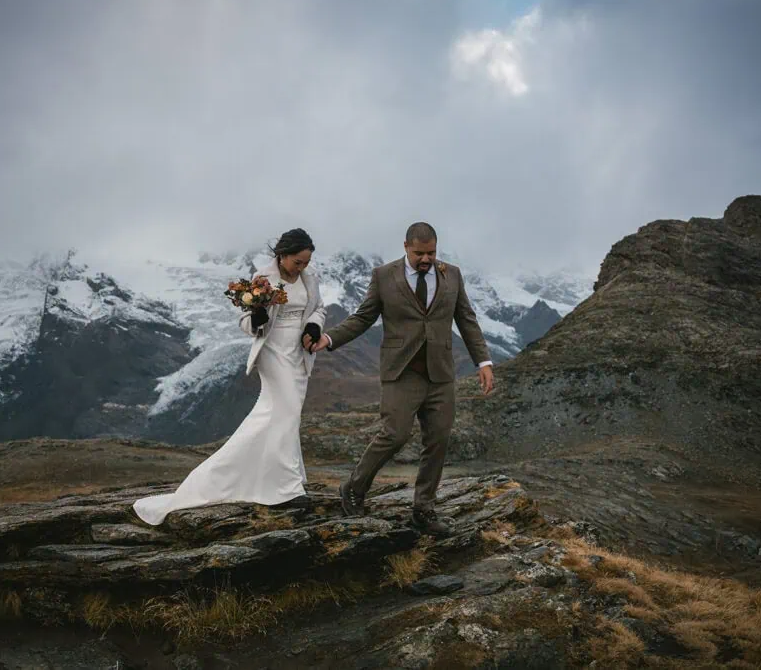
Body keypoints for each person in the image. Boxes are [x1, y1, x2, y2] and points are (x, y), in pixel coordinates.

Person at [312, 222, 494, 536]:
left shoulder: (452, 274)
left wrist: (484, 360)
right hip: (402, 371)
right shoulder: (384, 276)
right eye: (420, 253)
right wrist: (329, 339)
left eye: (432, 252)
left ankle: (424, 510)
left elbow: (466, 318)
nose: (426, 259)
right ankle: (354, 488)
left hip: (440, 374)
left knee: (437, 441)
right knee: (394, 434)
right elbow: (363, 317)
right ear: (406, 247)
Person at [133, 228, 325, 524]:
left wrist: (313, 325)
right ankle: (287, 488)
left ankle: (252, 477)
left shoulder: (309, 279)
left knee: (277, 416)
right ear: (283, 255)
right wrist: (257, 319)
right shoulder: (262, 279)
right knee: (286, 412)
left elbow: (318, 309)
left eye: (306, 262)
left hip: (298, 354)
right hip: (273, 352)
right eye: (298, 262)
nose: (303, 268)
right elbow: (246, 322)